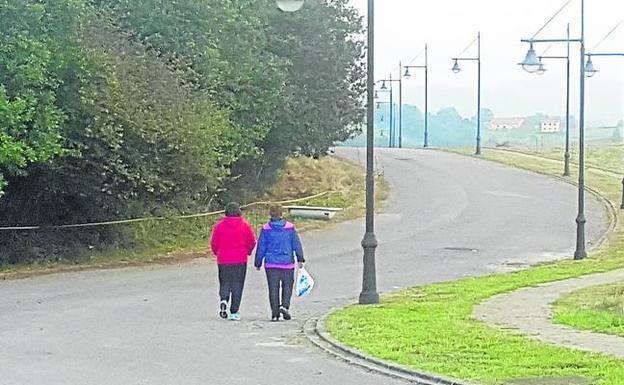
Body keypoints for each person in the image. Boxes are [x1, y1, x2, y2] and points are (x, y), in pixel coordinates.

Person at [254, 204, 305, 322]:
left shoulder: (266, 228)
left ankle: (275, 313)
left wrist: (258, 262)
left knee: (273, 288)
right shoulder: (289, 228)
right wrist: (300, 258)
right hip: (287, 263)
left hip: (271, 264)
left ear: (270, 214)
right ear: (281, 214)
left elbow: (261, 246)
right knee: (287, 286)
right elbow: (296, 244)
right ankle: (285, 306)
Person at [210, 202, 256, 321]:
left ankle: (224, 299)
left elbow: (214, 242)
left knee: (224, 281)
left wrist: (217, 252)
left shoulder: (219, 226)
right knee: (238, 284)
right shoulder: (245, 225)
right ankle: (234, 311)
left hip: (224, 259)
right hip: (240, 259)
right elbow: (251, 241)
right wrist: (248, 251)